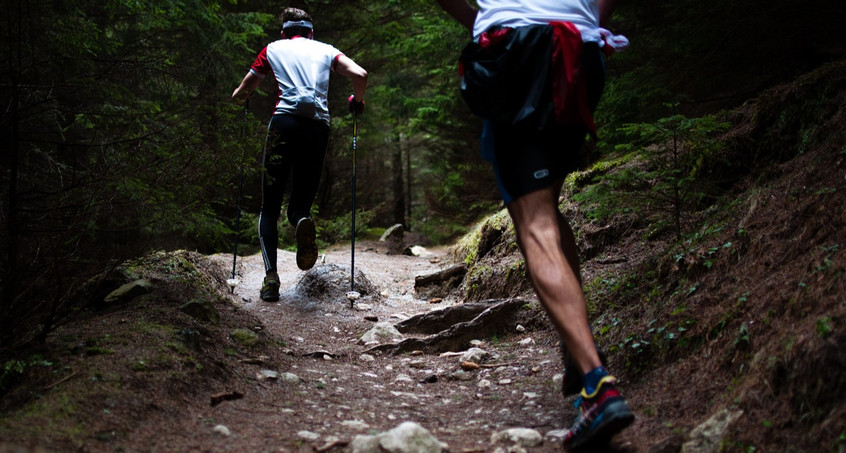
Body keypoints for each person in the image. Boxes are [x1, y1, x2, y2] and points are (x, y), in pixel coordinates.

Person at [435, 0, 633, 450]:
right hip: (580, 50)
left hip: (515, 51)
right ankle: (577, 354)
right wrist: (592, 25)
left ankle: (598, 385)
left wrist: (483, 20)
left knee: (535, 223)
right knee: (549, 205)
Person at [232, 7, 367, 302]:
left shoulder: (273, 49)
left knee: (269, 207)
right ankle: (301, 221)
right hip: (318, 127)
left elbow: (246, 87)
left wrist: (239, 98)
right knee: (299, 207)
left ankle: (270, 279)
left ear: (284, 33)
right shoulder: (326, 50)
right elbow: (360, 74)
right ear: (311, 32)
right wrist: (357, 100)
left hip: (284, 124)